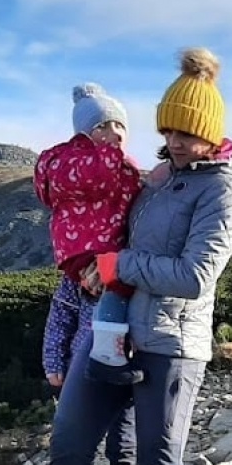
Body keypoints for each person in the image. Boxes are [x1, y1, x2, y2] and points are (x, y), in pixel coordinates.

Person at [26, 48, 232, 465]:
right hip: (111, 331)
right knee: (68, 447)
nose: (173, 143)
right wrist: (96, 267)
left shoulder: (225, 192)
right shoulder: (158, 178)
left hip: (172, 343)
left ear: (209, 133)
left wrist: (117, 264)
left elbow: (196, 276)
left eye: (184, 135)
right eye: (167, 132)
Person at [34, 84, 145, 383]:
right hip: (94, 251)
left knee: (109, 292)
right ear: (84, 134)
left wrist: (53, 364)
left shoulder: (77, 166)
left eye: (120, 125)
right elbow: (62, 313)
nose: (114, 133)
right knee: (114, 291)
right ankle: (108, 358)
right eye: (103, 126)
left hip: (85, 251)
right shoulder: (97, 165)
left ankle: (107, 359)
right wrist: (54, 364)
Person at [40, 275, 137, 465]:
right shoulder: (80, 270)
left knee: (124, 446)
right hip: (85, 370)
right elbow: (61, 315)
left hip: (130, 369)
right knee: (73, 447)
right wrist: (53, 361)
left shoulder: (142, 264)